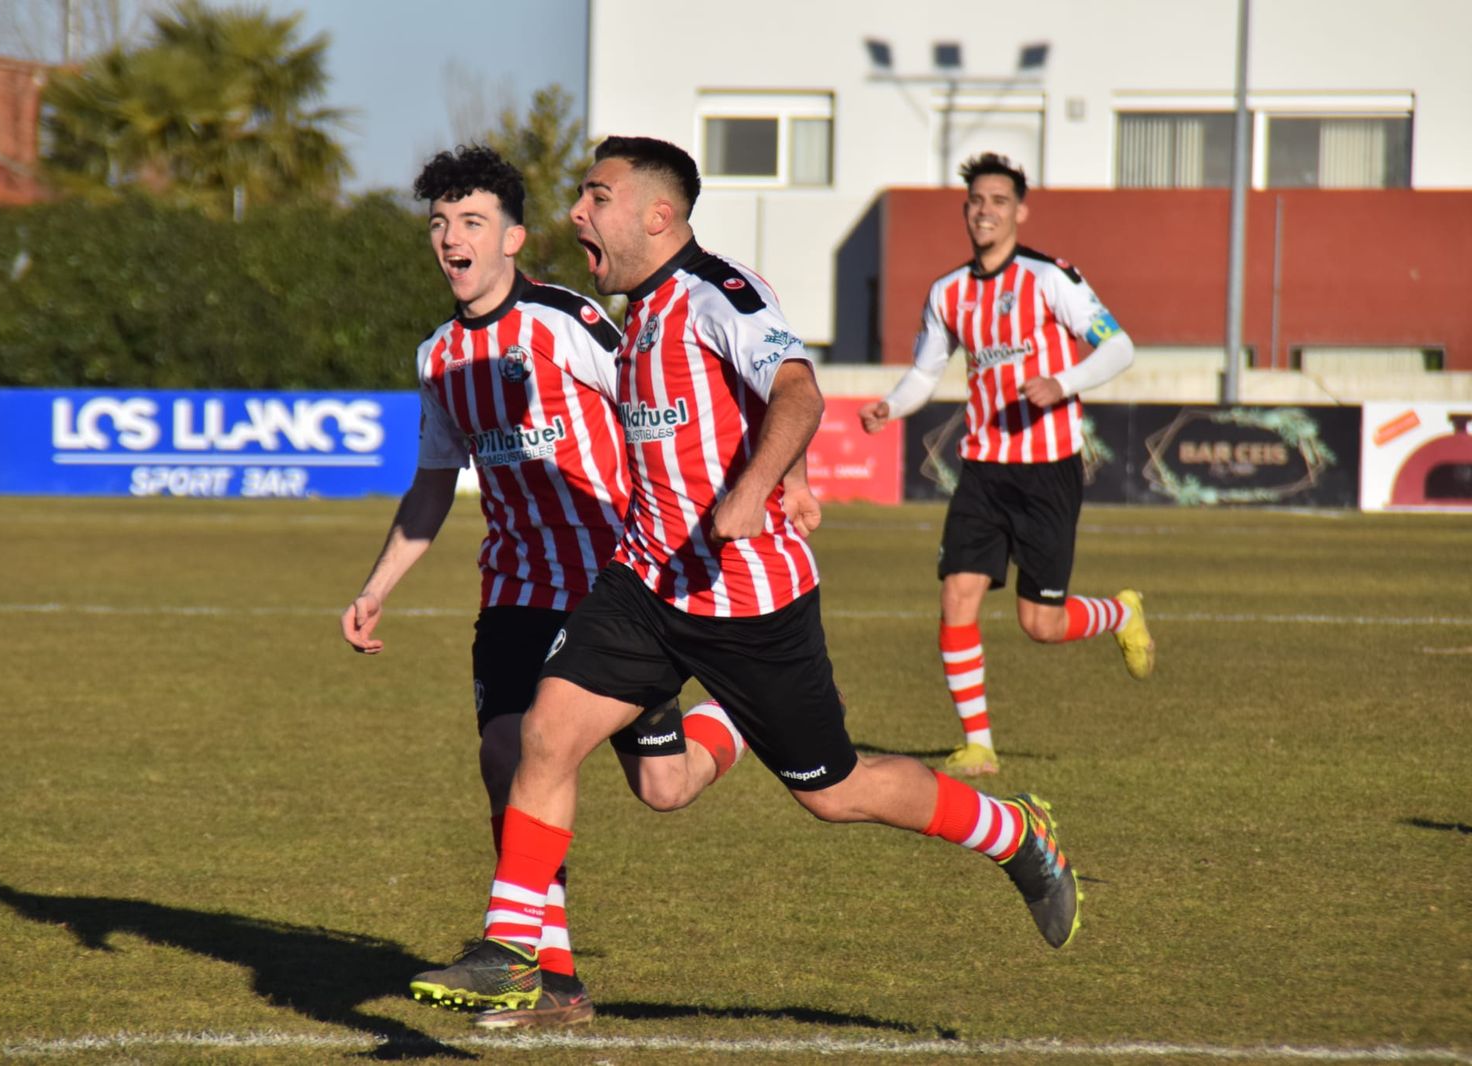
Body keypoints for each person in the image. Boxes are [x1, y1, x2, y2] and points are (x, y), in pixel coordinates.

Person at [407, 136, 1083, 1016]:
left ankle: (1014, 830)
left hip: (748, 600)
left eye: (595, 197)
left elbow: (798, 389)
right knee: (545, 735)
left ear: (657, 215)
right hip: (645, 585)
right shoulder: (636, 313)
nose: (578, 214)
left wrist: (761, 486)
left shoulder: (719, 293)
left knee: (834, 793)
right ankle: (513, 951)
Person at [342, 145, 758, 1029]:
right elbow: (430, 485)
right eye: (440, 225)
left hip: (611, 587)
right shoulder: (438, 356)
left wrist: (759, 476)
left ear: (514, 238)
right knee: (509, 758)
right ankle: (552, 979)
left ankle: (737, 714)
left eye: (472, 223)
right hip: (515, 592)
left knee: (664, 789)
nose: (452, 239)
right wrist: (378, 586)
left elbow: (672, 397)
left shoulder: (572, 321)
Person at [859, 152, 1156, 778]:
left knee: (1040, 624)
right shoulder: (948, 292)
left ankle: (1120, 612)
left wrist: (1064, 382)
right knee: (956, 594)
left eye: (998, 200)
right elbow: (925, 372)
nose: (985, 210)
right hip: (984, 470)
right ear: (966, 212)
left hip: (1047, 468)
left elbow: (1120, 346)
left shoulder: (1050, 278)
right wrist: (891, 405)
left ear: (1020, 211)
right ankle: (978, 745)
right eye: (976, 201)